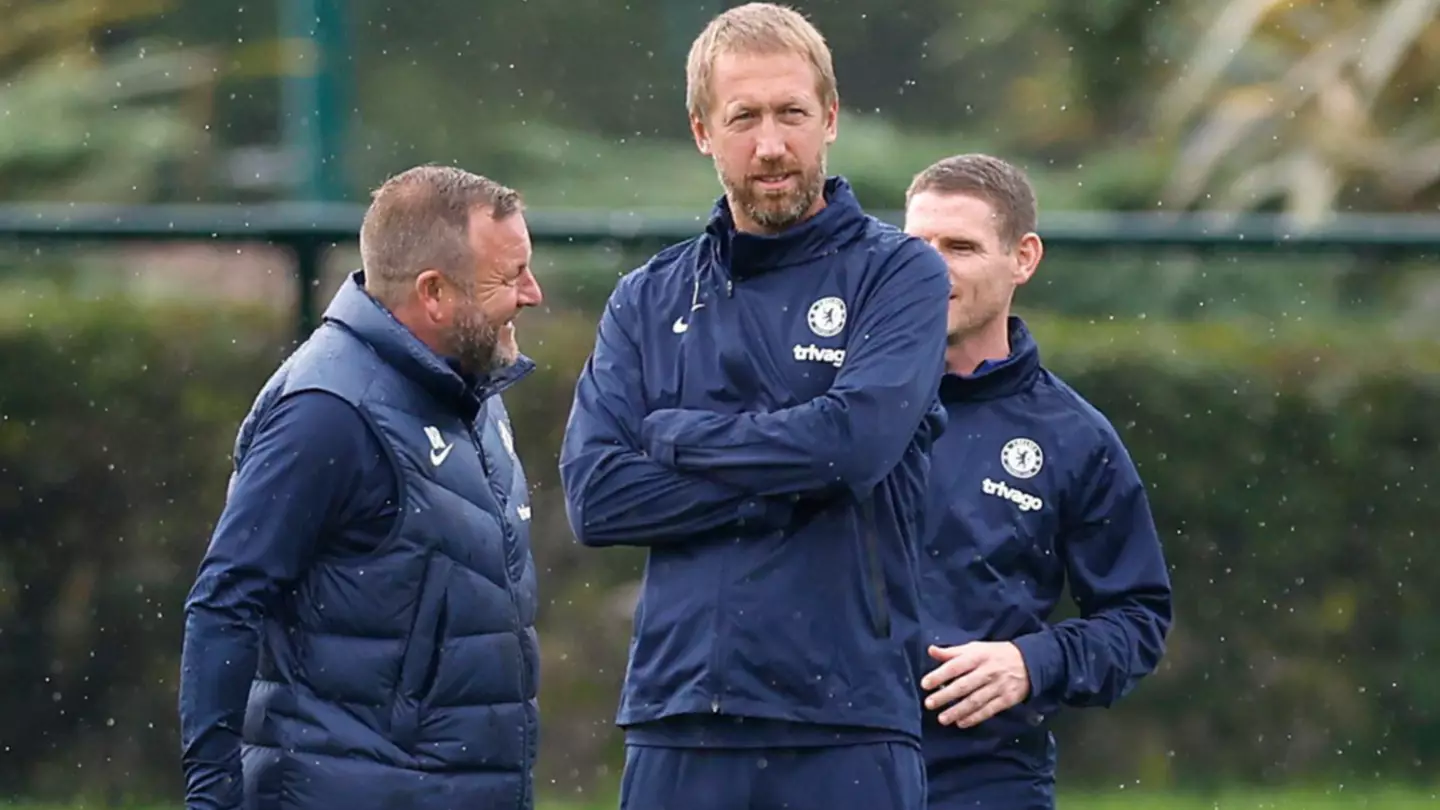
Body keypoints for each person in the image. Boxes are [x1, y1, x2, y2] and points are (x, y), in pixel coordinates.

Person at [557, 4, 951, 809]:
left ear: (830, 119)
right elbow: (596, 497)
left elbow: (854, 448)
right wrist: (788, 484)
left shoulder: (900, 275)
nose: (771, 145)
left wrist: (674, 435)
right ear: (703, 130)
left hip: (846, 720)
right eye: (744, 118)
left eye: (792, 114)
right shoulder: (647, 298)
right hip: (680, 716)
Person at [178, 165, 546, 810]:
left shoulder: (469, 389)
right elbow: (226, 602)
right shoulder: (327, 411)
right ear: (434, 293)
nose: (533, 293)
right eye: (510, 275)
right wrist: (213, 798)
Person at [901, 153, 1174, 810]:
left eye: (960, 247)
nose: (933, 269)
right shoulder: (838, 402)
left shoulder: (1073, 437)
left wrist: (1033, 662)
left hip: (982, 776)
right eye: (917, 247)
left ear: (1023, 258)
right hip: (820, 764)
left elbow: (1137, 619)